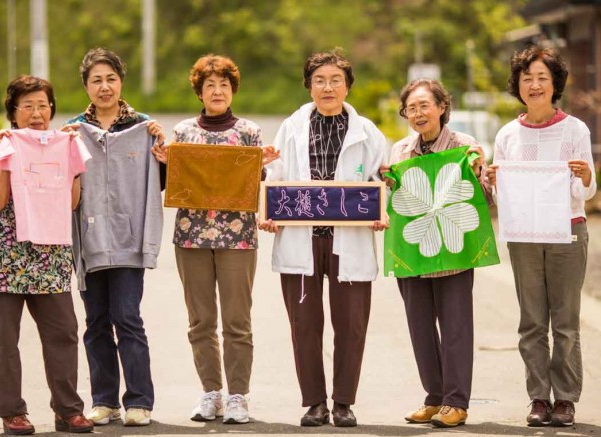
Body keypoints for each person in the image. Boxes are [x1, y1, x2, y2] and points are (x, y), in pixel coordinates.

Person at [259, 50, 387, 428]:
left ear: (347, 86)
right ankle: (314, 402)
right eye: (319, 80)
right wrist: (270, 213)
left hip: (350, 240)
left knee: (351, 325)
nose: (327, 87)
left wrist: (383, 209)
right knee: (304, 324)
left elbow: (383, 181)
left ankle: (344, 402)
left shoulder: (368, 133)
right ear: (308, 86)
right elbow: (275, 176)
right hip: (302, 241)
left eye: (335, 80)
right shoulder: (292, 128)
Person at [152, 54, 279, 425]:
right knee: (200, 321)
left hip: (238, 237)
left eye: (224, 85)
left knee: (238, 321)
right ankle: (211, 393)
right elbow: (171, 185)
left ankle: (238, 395)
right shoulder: (184, 132)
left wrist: (263, 166)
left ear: (233, 90)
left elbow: (259, 188)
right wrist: (163, 162)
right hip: (190, 237)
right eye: (210, 85)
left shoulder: (250, 133)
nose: (218, 91)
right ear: (200, 92)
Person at [0, 75, 94, 435]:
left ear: (51, 109)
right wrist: (9, 158)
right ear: (13, 112)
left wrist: (71, 163)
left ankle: (68, 410)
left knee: (64, 333)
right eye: (28, 106)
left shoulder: (65, 144)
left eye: (43, 105)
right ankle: (13, 412)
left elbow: (71, 202)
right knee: (3, 339)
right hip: (1, 260)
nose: (37, 113)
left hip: (48, 257)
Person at [486, 46, 595, 427]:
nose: (533, 85)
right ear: (517, 85)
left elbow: (588, 188)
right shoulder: (507, 134)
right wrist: (495, 183)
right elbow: (505, 196)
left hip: (568, 231)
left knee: (565, 320)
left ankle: (565, 398)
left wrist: (584, 177)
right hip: (524, 236)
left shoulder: (575, 129)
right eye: (526, 78)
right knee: (531, 320)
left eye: (541, 78)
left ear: (555, 84)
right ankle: (538, 397)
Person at [381, 78, 489, 428]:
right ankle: (435, 397)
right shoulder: (399, 151)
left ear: (442, 107)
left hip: (453, 247)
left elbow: (484, 199)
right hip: (413, 250)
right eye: (411, 108)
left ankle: (456, 402)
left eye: (425, 105)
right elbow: (396, 204)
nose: (418, 113)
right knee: (420, 327)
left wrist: (478, 175)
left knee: (456, 325)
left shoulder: (465, 146)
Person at [66, 47, 165, 427]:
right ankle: (104, 400)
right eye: (96, 80)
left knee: (127, 318)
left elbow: (161, 185)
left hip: (127, 240)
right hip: (89, 241)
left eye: (110, 79)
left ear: (121, 82)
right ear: (86, 86)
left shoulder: (143, 127)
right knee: (95, 322)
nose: (104, 87)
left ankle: (139, 400)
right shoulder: (74, 131)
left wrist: (162, 152)